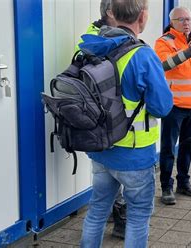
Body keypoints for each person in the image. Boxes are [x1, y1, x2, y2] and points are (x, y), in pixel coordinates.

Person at [79, 0, 173, 247]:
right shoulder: (142, 55)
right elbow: (162, 107)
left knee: (97, 211)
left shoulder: (93, 46)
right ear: (142, 17)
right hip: (134, 154)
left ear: (112, 14)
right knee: (138, 218)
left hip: (101, 148)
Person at [77, 0, 127, 239]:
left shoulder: (94, 34)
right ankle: (120, 219)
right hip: (106, 116)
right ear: (110, 12)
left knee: (105, 175)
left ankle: (112, 212)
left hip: (101, 116)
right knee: (113, 170)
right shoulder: (99, 39)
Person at [154, 6, 191, 205]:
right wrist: (188, 52)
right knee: (169, 147)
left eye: (189, 19)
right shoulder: (164, 42)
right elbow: (162, 65)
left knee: (188, 146)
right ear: (172, 23)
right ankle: (166, 186)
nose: (186, 23)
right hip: (174, 106)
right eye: (181, 19)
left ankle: (183, 183)